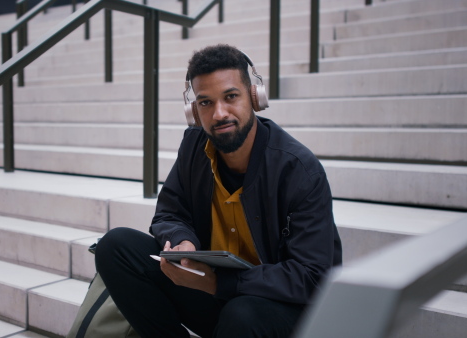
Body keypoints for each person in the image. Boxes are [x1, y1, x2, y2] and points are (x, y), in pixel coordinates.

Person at [95, 44, 342, 338]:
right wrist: (182, 241)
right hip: (217, 293)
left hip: (280, 309)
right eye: (205, 103)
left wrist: (219, 283)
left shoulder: (299, 170)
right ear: (194, 110)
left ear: (255, 97)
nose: (218, 114)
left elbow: (313, 277)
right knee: (116, 246)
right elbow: (169, 213)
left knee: (243, 315)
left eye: (231, 97)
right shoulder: (194, 146)